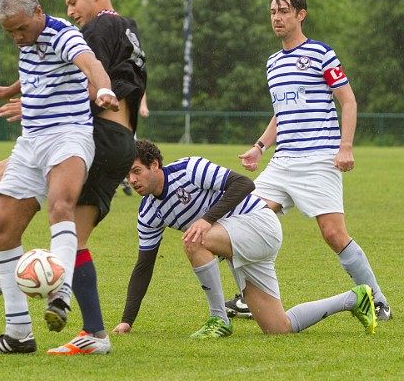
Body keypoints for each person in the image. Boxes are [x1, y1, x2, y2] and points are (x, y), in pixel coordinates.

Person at [0, 0, 147, 356]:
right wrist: (11, 91)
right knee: (2, 229)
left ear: (38, 13)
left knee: (61, 209)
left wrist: (101, 88)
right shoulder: (33, 38)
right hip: (36, 142)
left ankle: (62, 296)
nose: (16, 37)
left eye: (20, 28)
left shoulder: (74, 31)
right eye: (9, 32)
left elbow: (88, 62)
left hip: (73, 135)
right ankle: (17, 331)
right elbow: (41, 71)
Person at [233, 0, 391, 321]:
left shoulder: (321, 53)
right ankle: (250, 297)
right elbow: (282, 113)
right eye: (273, 12)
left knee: (333, 233)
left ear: (300, 15)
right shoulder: (273, 63)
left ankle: (377, 300)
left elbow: (347, 100)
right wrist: (259, 147)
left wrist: (345, 147)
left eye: (284, 11)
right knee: (244, 219)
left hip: (319, 158)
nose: (277, 17)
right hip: (282, 161)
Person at [112, 140, 376, 337]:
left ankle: (219, 320)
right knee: (278, 328)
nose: (132, 180)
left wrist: (205, 220)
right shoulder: (148, 212)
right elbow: (143, 265)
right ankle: (354, 299)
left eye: (136, 171)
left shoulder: (189, 169)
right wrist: (127, 320)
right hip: (239, 245)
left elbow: (244, 184)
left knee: (195, 239)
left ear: (154, 165)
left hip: (259, 224)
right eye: (127, 175)